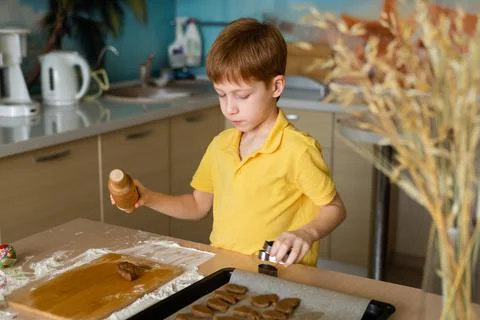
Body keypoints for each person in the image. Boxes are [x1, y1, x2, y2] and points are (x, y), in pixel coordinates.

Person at [110, 18, 346, 267]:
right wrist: (147, 197)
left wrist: (306, 233)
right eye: (221, 94)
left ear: (276, 86)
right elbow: (197, 205)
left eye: (242, 95)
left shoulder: (297, 150)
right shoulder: (221, 145)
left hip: (282, 277)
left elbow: (335, 208)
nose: (230, 108)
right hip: (226, 271)